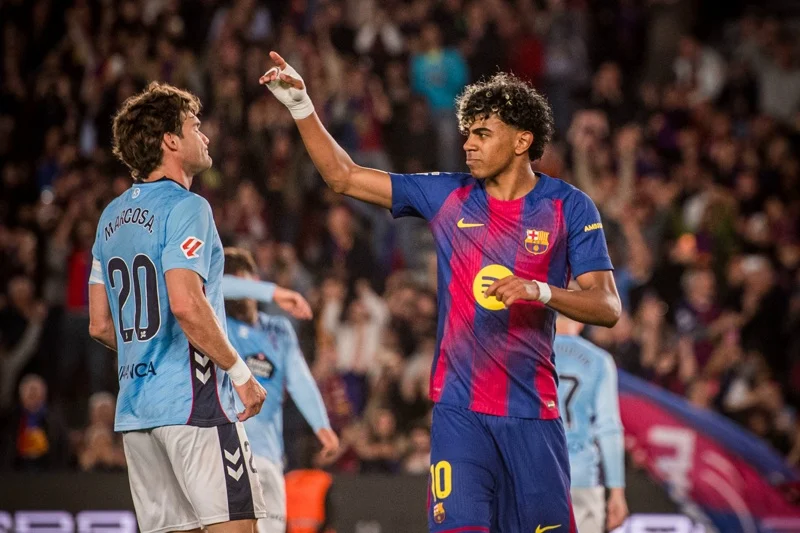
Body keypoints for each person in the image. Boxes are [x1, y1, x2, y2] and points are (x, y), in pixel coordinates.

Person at [262, 52, 621, 532]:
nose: (467, 144)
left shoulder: (568, 207)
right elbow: (343, 176)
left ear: (522, 140)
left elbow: (607, 306)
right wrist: (302, 105)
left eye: (481, 133)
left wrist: (540, 290)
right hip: (459, 413)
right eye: (467, 132)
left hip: (532, 414)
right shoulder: (446, 194)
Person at [87, 82, 268, 533]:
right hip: (196, 407)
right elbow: (186, 304)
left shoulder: (109, 218)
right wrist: (241, 375)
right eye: (195, 126)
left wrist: (147, 355)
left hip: (136, 413)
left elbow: (98, 324)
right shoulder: (189, 207)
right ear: (171, 141)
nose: (203, 136)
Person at [222, 247, 339, 533]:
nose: (239, 286)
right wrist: (274, 293)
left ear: (254, 278)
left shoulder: (279, 329)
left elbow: (300, 379)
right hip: (225, 454)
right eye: (233, 279)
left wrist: (321, 425)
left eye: (242, 277)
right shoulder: (218, 328)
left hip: (268, 456)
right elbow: (217, 285)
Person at [554, 314, 628, 533]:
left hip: (535, 473)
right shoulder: (599, 360)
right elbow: (609, 427)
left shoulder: (527, 354)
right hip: (582, 475)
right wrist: (617, 491)